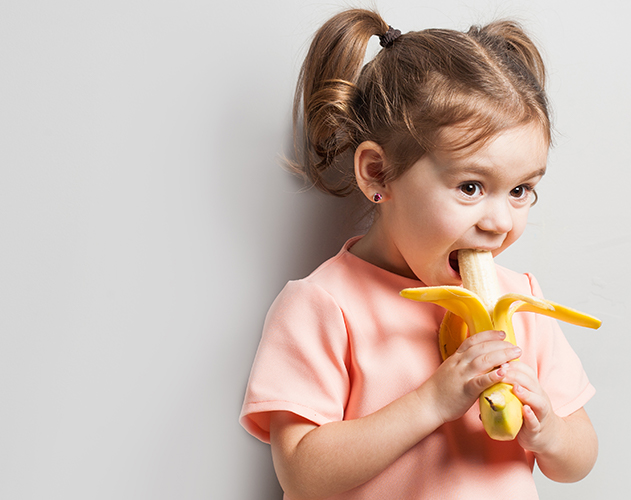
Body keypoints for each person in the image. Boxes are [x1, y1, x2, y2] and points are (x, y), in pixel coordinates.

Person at [240, 8, 598, 499]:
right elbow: (303, 475)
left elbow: (579, 459)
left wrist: (549, 430)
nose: (499, 222)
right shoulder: (326, 305)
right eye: (471, 187)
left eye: (520, 190)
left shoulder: (522, 302)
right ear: (378, 174)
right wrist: (432, 401)